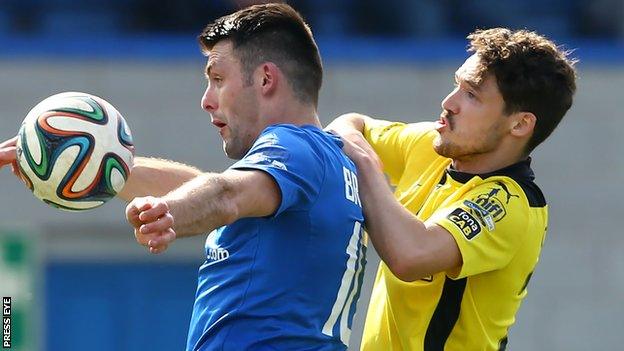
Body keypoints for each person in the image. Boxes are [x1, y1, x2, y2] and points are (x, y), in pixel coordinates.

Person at [0, 4, 367, 350]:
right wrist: (93, 163)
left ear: (266, 78)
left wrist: (166, 211)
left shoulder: (292, 145)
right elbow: (214, 188)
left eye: (218, 79)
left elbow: (223, 195)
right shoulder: (326, 159)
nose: (207, 100)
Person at [327, 28, 577, 350]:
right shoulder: (434, 145)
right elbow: (349, 124)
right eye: (456, 85)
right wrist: (355, 147)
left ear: (519, 124)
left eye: (471, 95)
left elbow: (410, 255)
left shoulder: (509, 204)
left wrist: (363, 163)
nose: (448, 103)